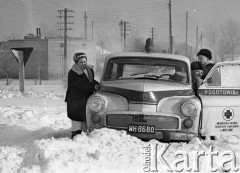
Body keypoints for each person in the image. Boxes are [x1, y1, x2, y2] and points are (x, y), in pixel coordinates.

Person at [65, 52, 99, 139]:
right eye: (81, 62)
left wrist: (98, 84)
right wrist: (94, 86)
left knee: (85, 117)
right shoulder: (73, 73)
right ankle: (75, 136)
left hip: (85, 98)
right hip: (75, 99)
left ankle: (85, 136)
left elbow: (90, 81)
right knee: (77, 119)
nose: (83, 64)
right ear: (76, 63)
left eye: (84, 61)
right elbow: (82, 85)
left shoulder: (89, 70)